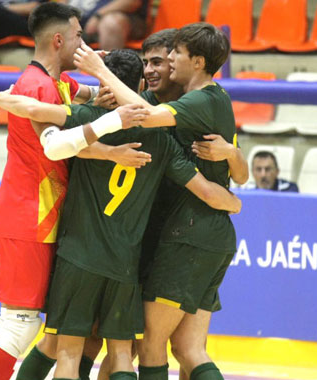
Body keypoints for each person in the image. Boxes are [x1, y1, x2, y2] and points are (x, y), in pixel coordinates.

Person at [0, 4, 150, 380]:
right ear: (59, 40)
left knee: (33, 327)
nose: (85, 44)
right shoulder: (36, 85)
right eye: (80, 37)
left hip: (41, 214)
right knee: (18, 324)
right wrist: (110, 146)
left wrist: (105, 74)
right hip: (27, 216)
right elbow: (57, 144)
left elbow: (86, 95)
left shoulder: (55, 83)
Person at [74, 22, 247, 380]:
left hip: (186, 234)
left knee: (144, 343)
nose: (157, 66)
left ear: (192, 62)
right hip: (201, 232)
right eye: (147, 62)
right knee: (186, 348)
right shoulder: (209, 99)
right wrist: (86, 94)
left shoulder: (194, 103)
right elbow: (239, 178)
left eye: (167, 57)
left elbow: (232, 177)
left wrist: (100, 70)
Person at [64, 0, 149, 51]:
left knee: (111, 22)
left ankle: (108, 71)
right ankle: (68, 76)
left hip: (125, 21)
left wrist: (98, 16)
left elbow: (132, 2)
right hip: (78, 22)